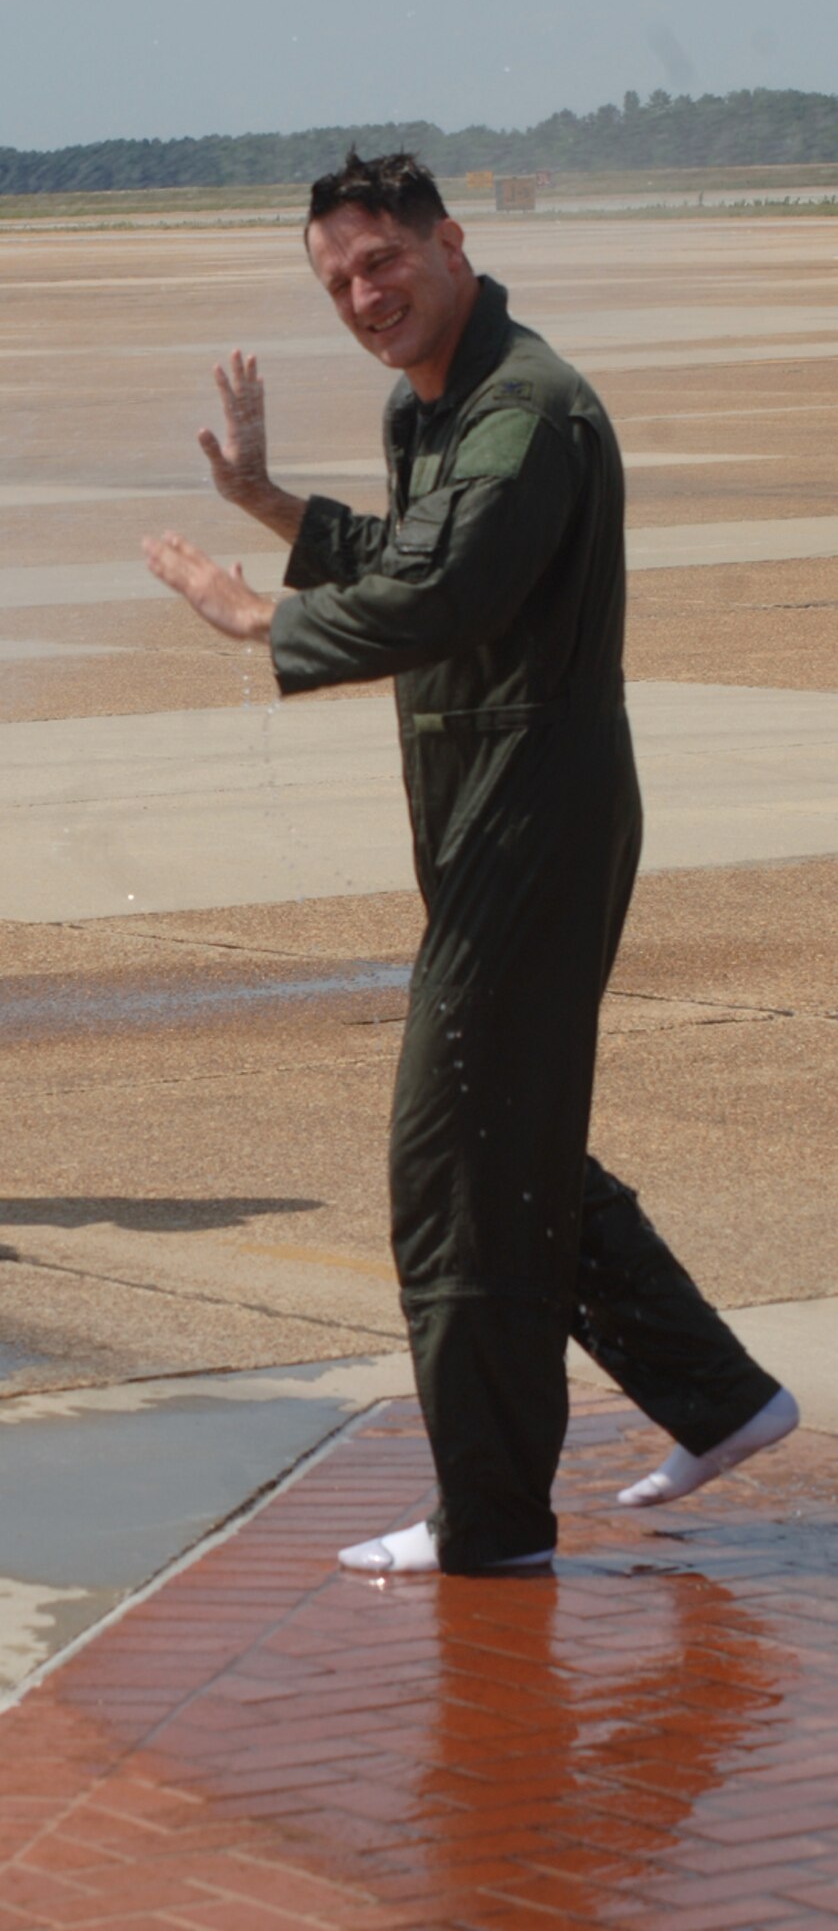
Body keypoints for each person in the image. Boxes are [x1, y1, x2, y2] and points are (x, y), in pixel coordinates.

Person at [143, 151, 797, 1574]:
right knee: (511, 1138)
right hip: (478, 817)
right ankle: (719, 1399)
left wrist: (261, 622)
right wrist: (264, 499)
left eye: (382, 263)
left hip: (535, 821)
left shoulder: (526, 406)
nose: (363, 297)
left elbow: (452, 588)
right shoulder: (427, 406)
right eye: (336, 282)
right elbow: (415, 544)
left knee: (454, 1161)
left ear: (447, 243)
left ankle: (489, 1522)